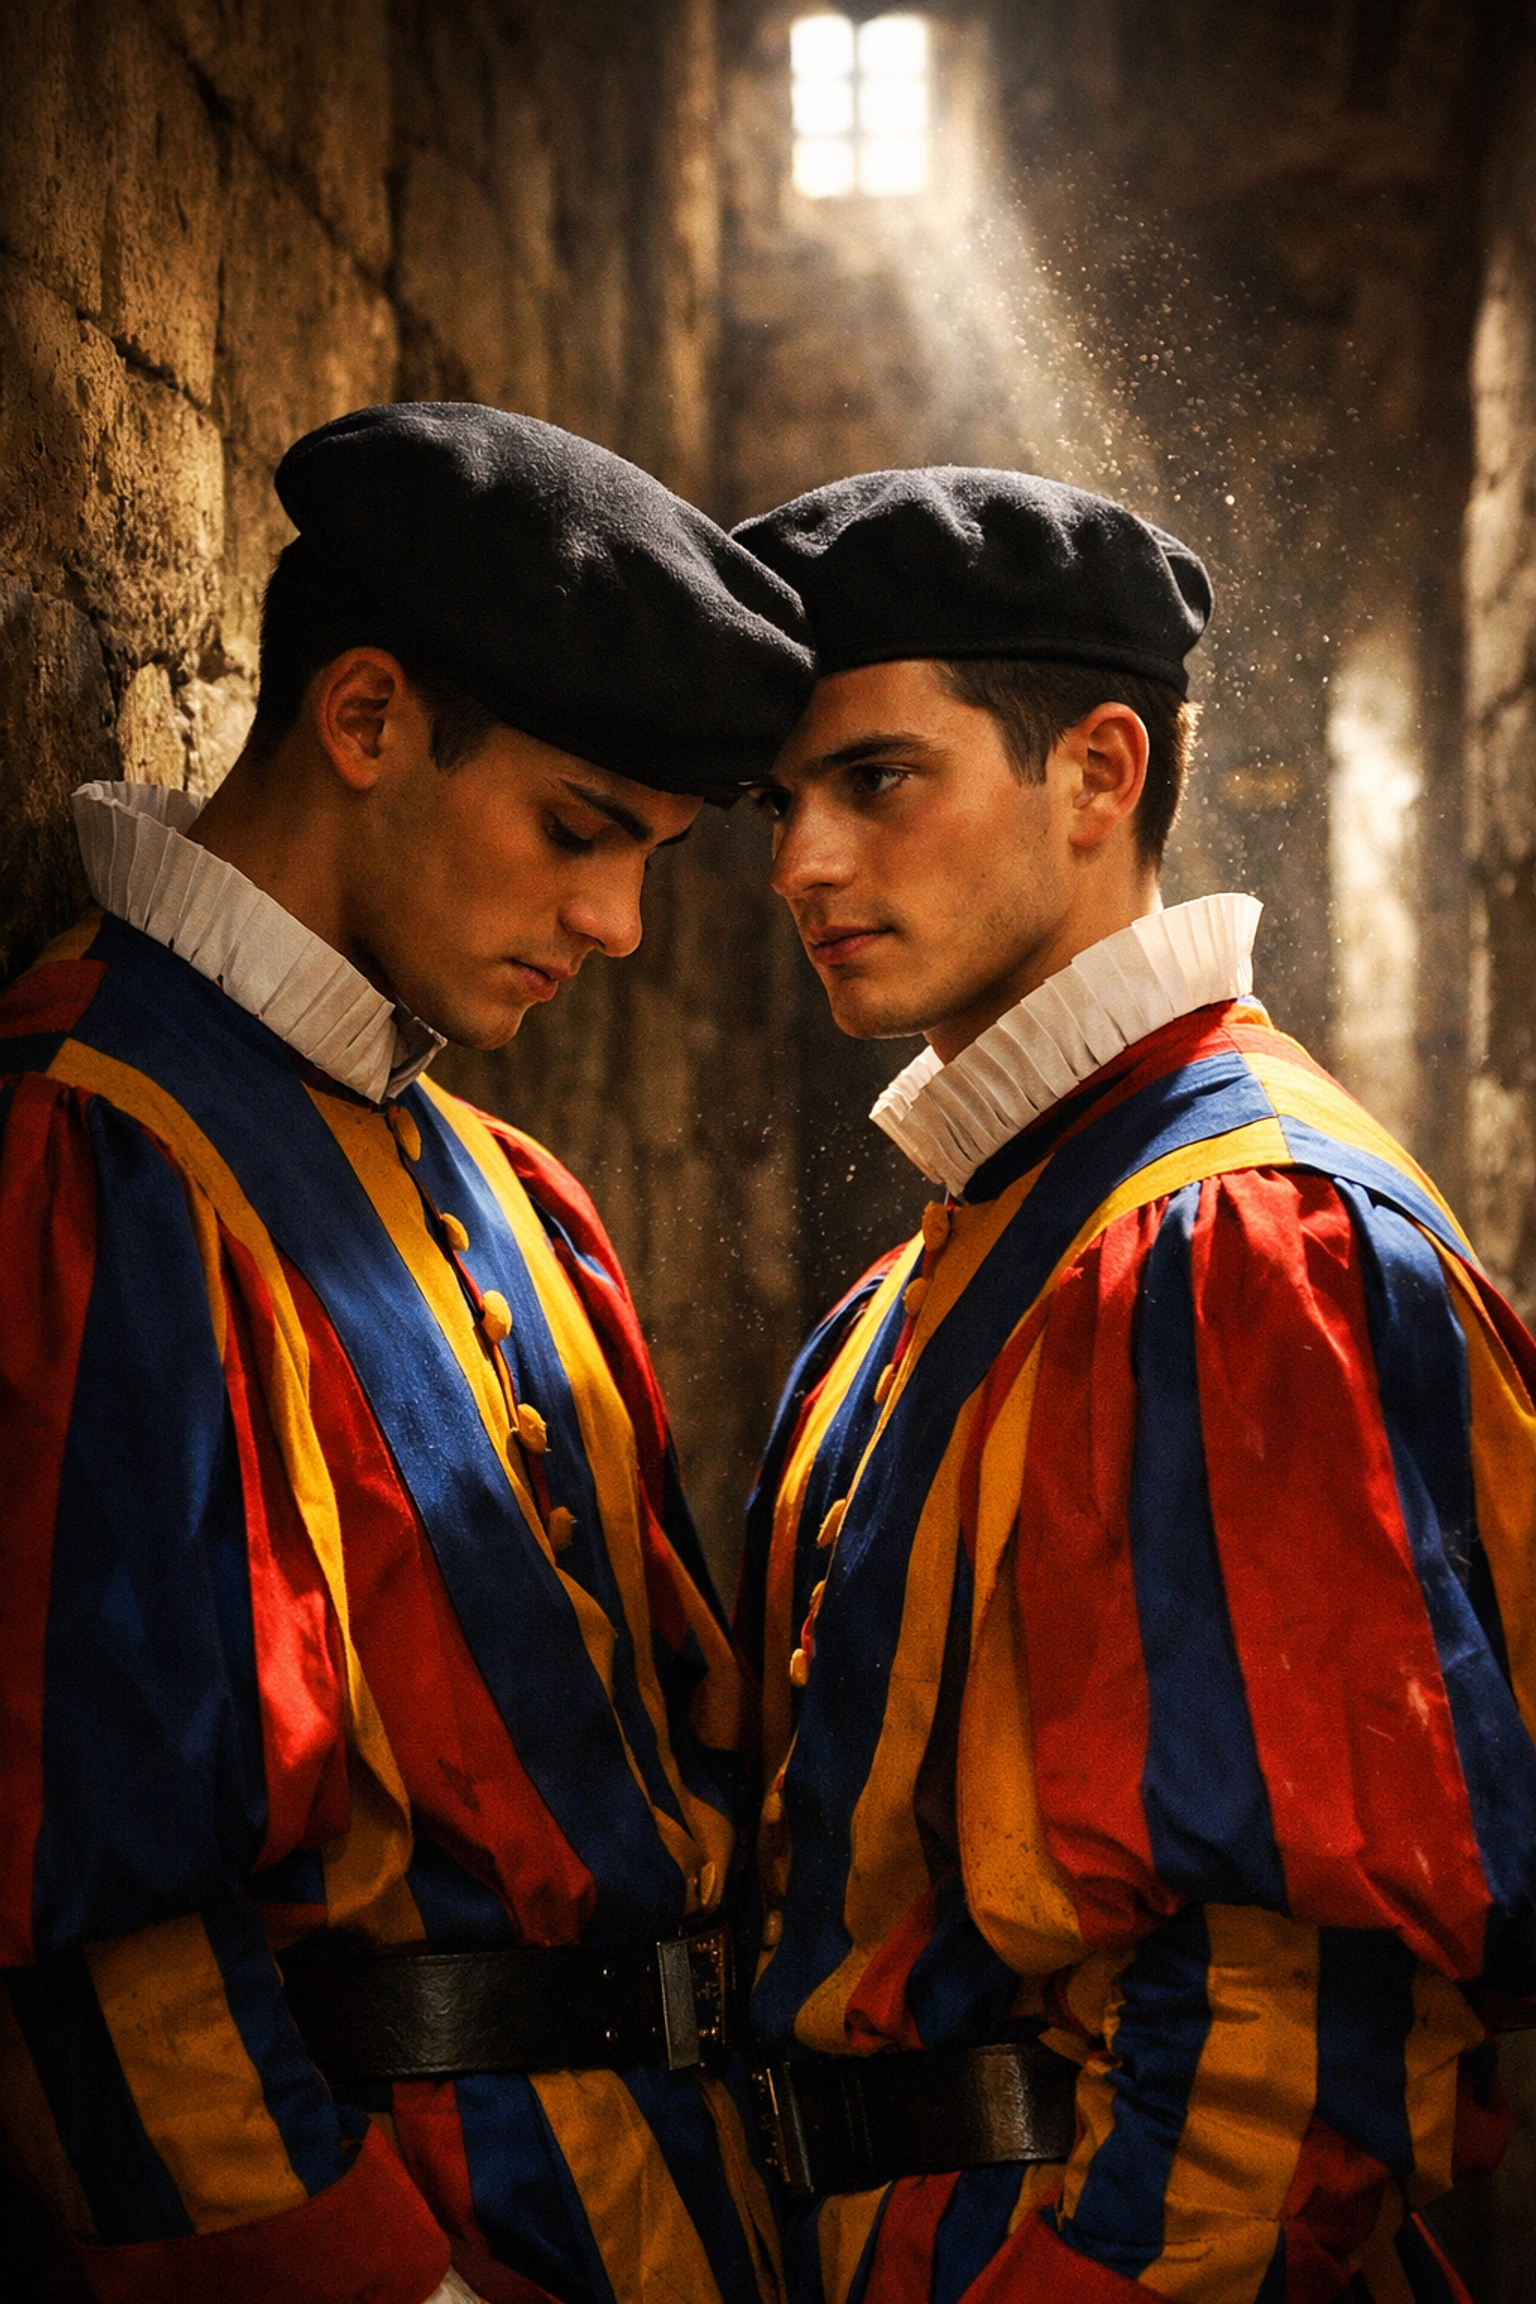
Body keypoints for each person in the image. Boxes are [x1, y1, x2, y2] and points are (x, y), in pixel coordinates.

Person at [0, 402, 814, 2304]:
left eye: (659, 858)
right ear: (363, 723)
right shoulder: (101, 1153)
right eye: (577, 832)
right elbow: (92, 1954)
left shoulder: (513, 1188)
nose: (617, 924)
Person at [730, 466, 1536, 2304]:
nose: (799, 867)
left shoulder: (1235, 1237)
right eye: (781, 804)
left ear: (1101, 773)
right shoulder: (961, 1251)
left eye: (875, 780)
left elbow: (1302, 2016)